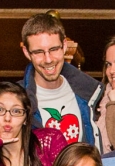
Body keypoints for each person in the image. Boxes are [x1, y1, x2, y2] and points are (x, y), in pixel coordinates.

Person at [19, 11, 103, 148]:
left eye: (54, 49)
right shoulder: (15, 100)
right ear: (26, 52)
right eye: (39, 52)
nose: (48, 59)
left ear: (64, 46)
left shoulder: (89, 95)